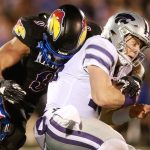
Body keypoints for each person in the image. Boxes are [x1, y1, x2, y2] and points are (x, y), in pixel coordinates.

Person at [34, 11, 150, 150]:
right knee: (114, 144)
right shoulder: (101, 44)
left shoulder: (114, 67)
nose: (136, 50)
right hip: (61, 122)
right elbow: (102, 98)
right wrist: (130, 97)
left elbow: (103, 117)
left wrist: (129, 112)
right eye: (135, 43)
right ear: (117, 34)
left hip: (76, 128)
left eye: (140, 46)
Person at [0, 4, 94, 150]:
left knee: (14, 138)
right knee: (5, 132)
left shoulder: (93, 39)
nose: (56, 57)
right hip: (9, 90)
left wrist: (133, 78)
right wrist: (2, 84)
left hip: (32, 102)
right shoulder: (34, 30)